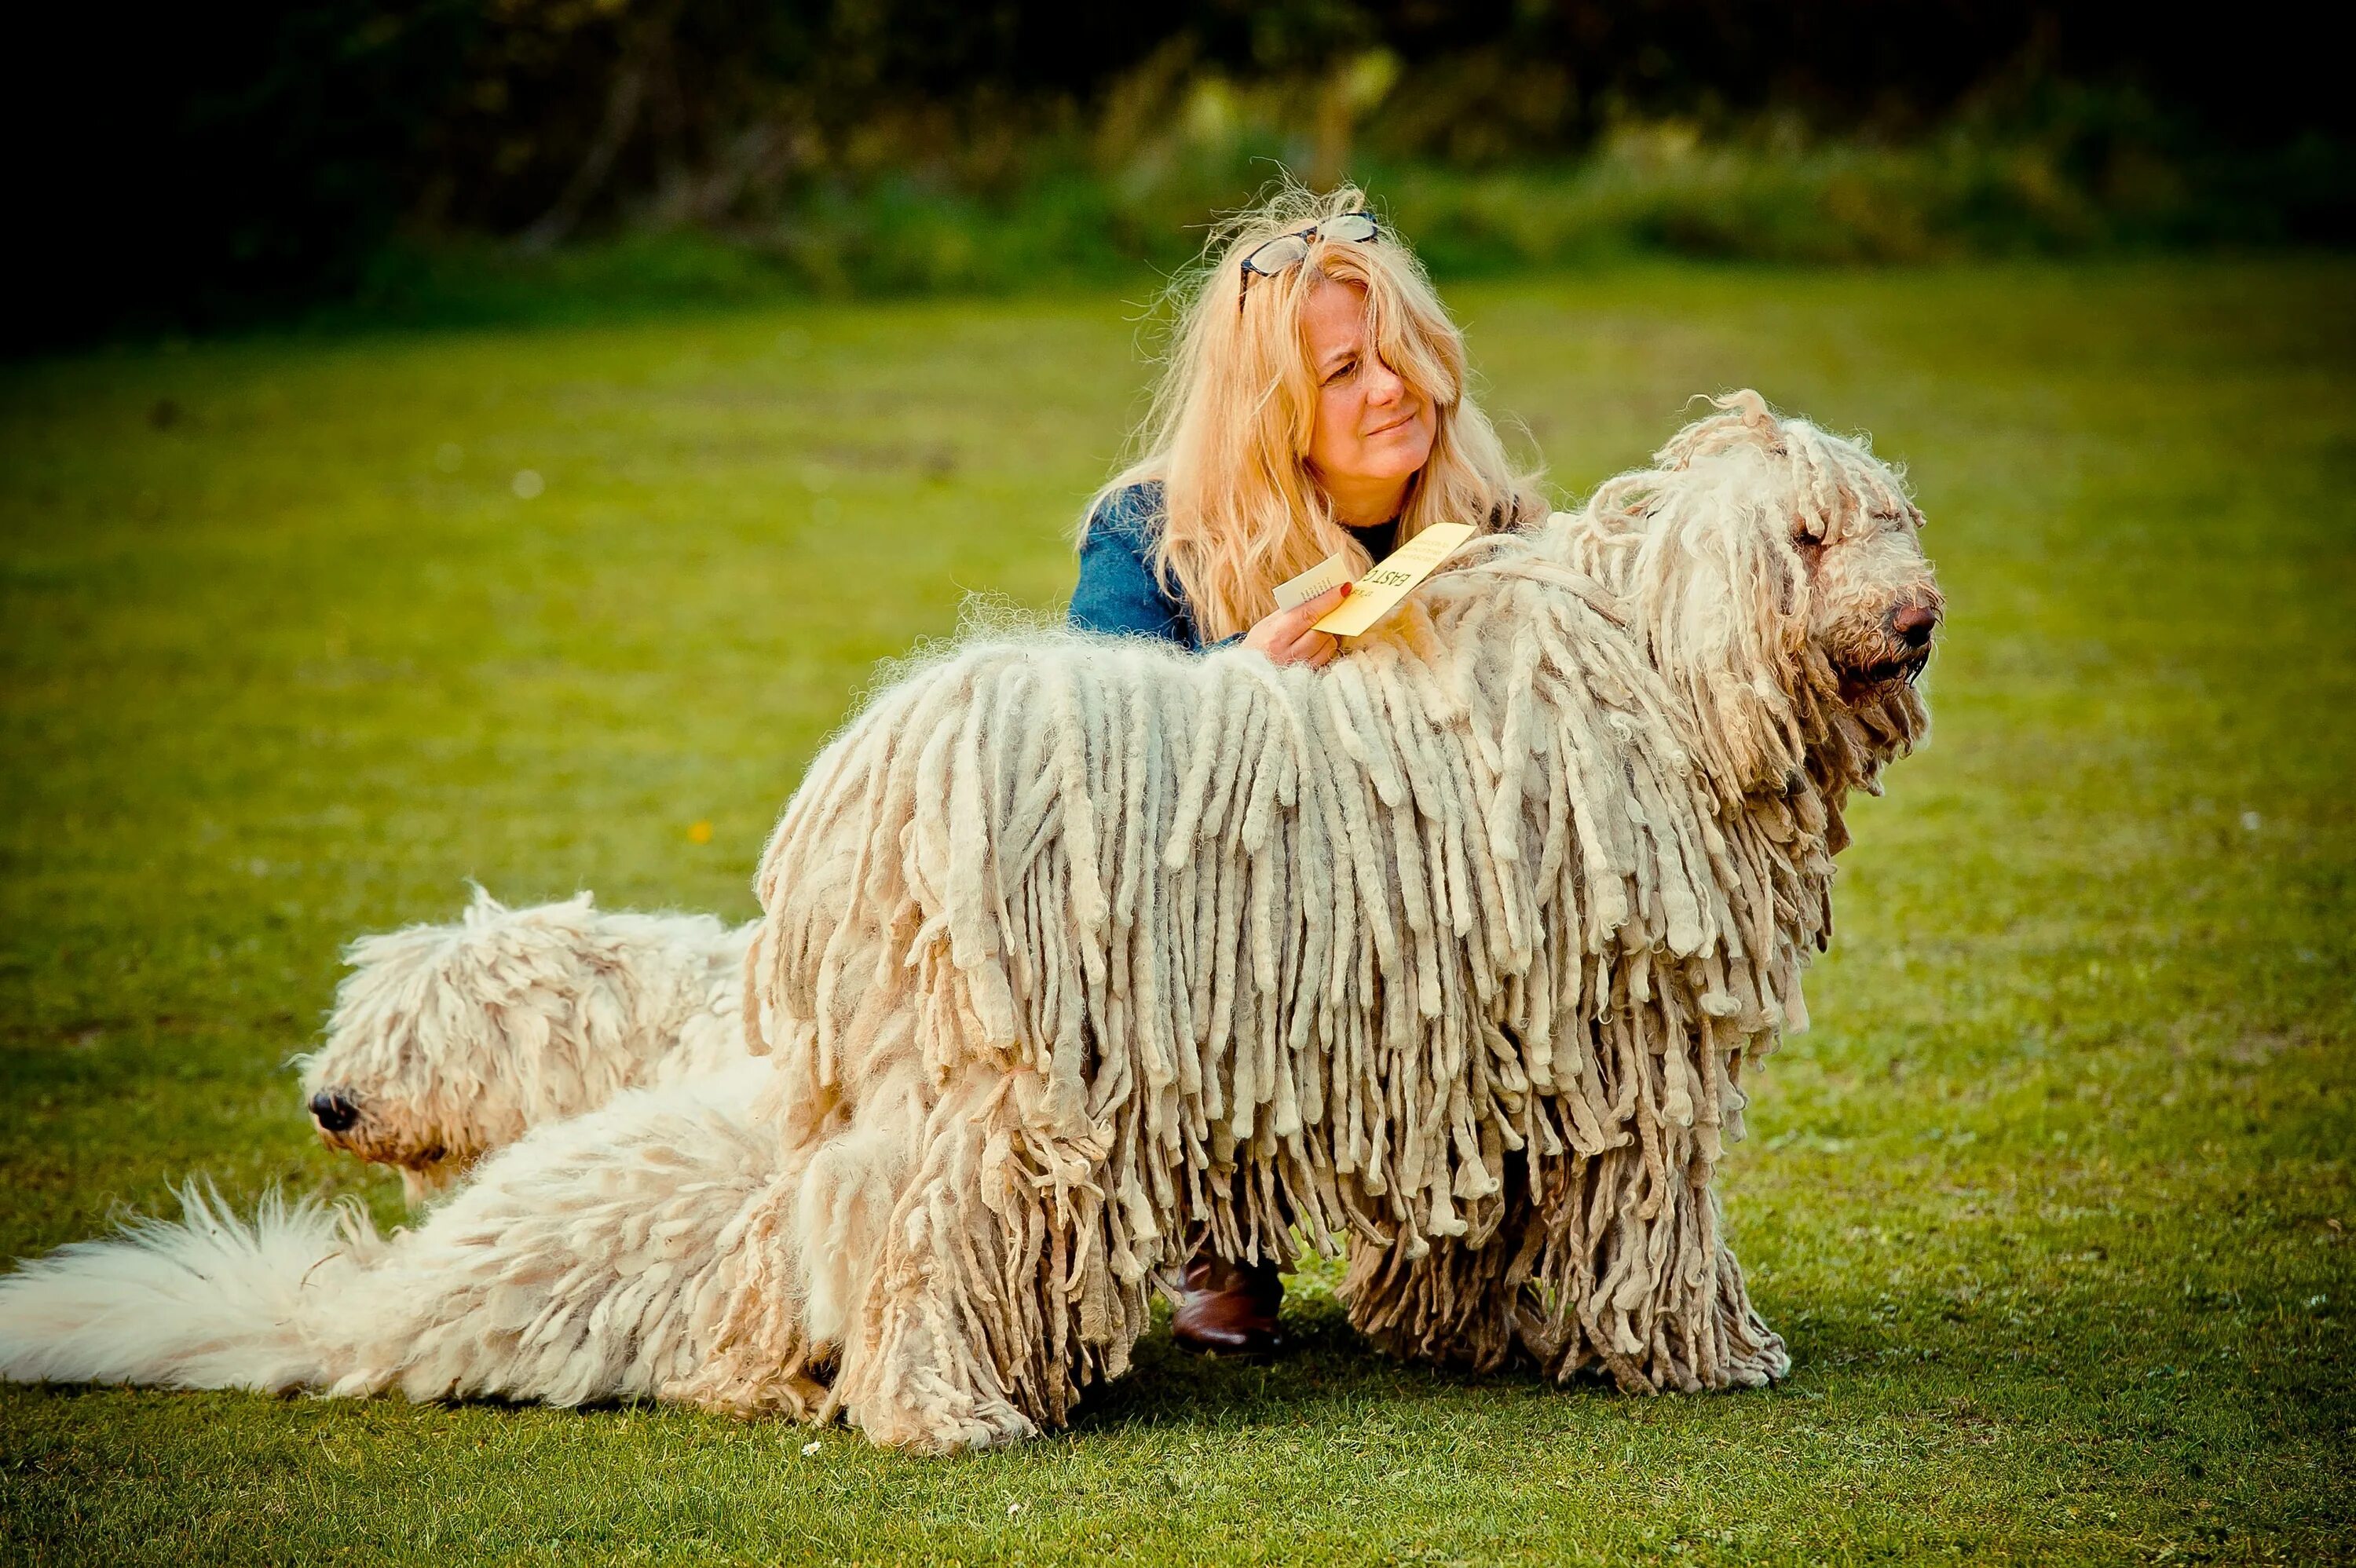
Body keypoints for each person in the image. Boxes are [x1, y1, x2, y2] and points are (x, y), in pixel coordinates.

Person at [1066, 184, 1548, 1353]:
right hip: (1229, 925)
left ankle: (1461, 1220)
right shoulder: (1150, 534)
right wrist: (1238, 676)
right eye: (1343, 372)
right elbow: (1087, 756)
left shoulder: (1501, 529)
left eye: (1399, 353)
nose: (1390, 388)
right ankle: (1218, 1220)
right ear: (1273, 405)